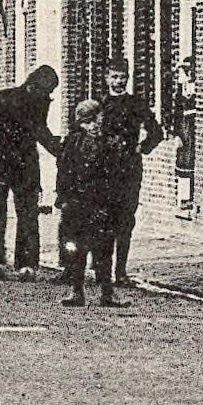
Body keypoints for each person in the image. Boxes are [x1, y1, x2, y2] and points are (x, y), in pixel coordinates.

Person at [0, 65, 60, 281]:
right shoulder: (8, 99)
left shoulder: (31, 100)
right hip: (2, 163)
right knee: (5, 213)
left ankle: (16, 263)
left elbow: (40, 130)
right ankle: (7, 263)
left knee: (21, 213)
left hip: (18, 164)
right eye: (47, 90)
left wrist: (62, 151)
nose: (48, 96)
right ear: (33, 86)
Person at [95, 58, 165, 286]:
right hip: (104, 168)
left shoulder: (136, 104)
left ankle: (121, 272)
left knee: (125, 220)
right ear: (106, 78)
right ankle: (102, 271)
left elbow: (156, 132)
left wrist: (141, 148)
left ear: (127, 78)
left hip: (128, 169)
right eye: (114, 76)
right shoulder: (99, 104)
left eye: (122, 77)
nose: (118, 81)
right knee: (103, 220)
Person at [56, 100, 131, 309]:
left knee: (104, 248)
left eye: (95, 121)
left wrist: (117, 200)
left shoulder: (110, 143)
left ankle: (107, 292)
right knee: (75, 249)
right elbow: (63, 172)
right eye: (87, 123)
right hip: (77, 203)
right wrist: (63, 198)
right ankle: (76, 291)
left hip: (102, 203)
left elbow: (118, 174)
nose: (93, 126)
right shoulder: (72, 143)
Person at [171, 55, 198, 219]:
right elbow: (176, 115)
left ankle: (191, 197)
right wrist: (176, 134)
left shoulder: (196, 90)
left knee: (192, 160)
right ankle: (183, 198)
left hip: (193, 129)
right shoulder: (180, 94)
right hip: (184, 130)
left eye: (182, 73)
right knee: (183, 162)